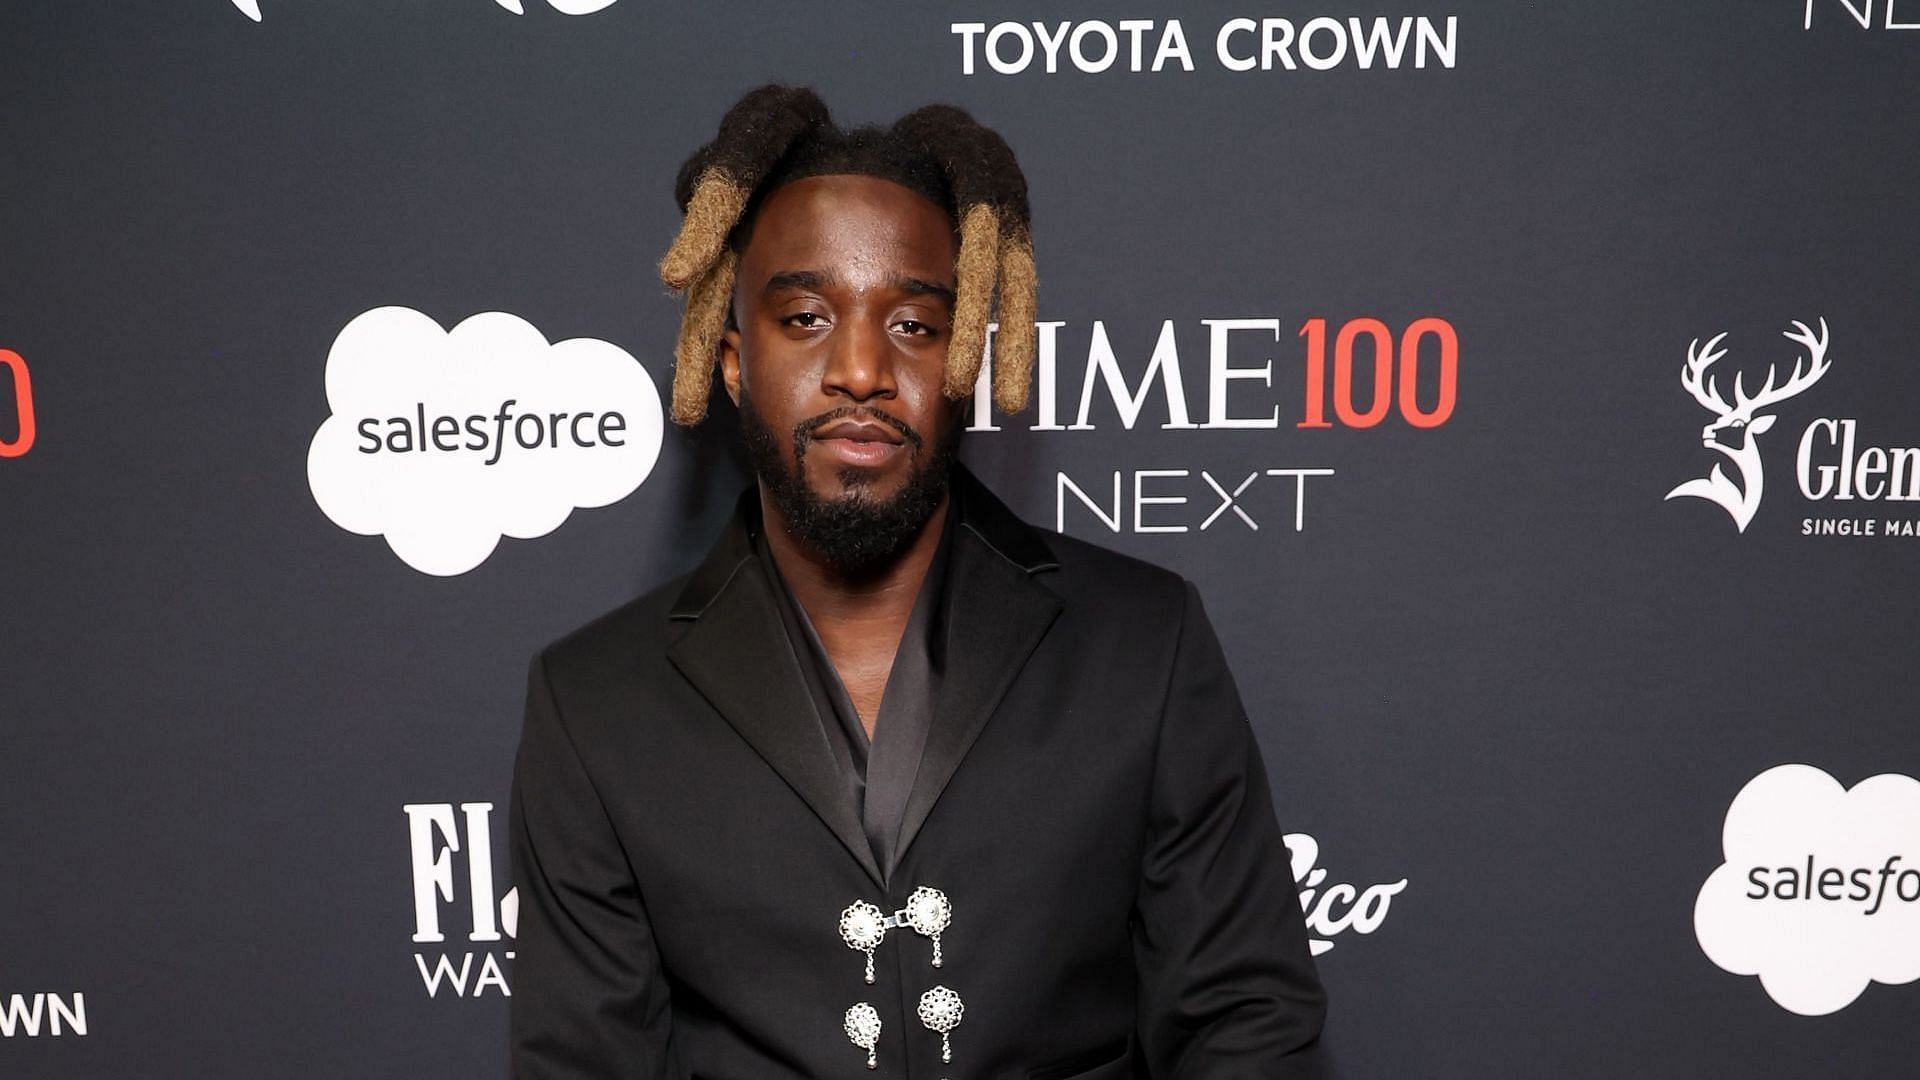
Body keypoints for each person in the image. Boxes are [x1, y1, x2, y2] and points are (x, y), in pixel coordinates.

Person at [508, 84, 1327, 1079]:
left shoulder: (1142, 644)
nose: (860, 367)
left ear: (970, 356)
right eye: (806, 316)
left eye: (915, 325)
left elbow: (1246, 1026)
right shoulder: (595, 702)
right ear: (730, 362)